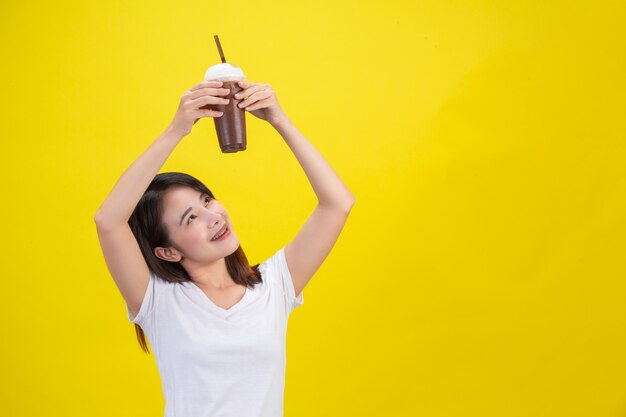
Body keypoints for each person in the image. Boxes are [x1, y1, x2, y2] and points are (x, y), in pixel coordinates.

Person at [94, 79, 355, 417]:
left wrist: (279, 120)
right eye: (190, 219)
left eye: (207, 201)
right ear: (168, 252)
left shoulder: (273, 285)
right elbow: (108, 221)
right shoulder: (157, 301)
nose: (212, 216)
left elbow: (338, 204)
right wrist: (177, 130)